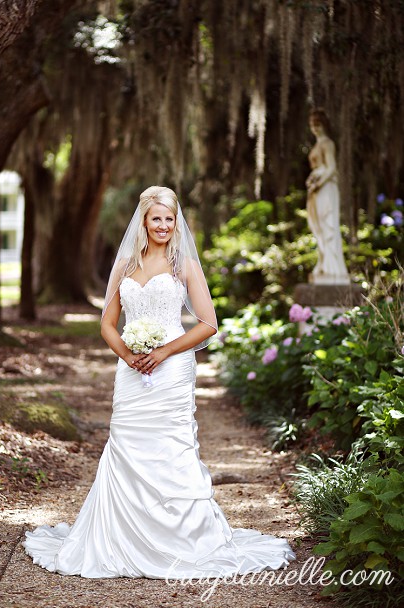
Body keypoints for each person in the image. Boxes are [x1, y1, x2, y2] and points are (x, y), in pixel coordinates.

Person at [23, 186, 295, 578]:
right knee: (127, 444)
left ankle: (184, 539)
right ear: (144, 222)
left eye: (170, 218)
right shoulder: (125, 265)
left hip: (172, 369)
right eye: (157, 219)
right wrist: (129, 355)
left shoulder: (183, 264)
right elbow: (107, 324)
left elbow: (208, 324)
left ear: (175, 222)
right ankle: (120, 539)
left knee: (172, 447)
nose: (164, 225)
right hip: (132, 370)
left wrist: (164, 352)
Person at [305, 108, 349, 284]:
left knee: (328, 224)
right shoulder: (317, 145)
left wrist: (319, 182)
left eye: (318, 124)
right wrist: (311, 180)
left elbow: (331, 168)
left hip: (326, 187)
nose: (315, 128)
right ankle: (323, 263)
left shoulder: (328, 143)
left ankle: (334, 268)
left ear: (324, 125)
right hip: (317, 188)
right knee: (319, 227)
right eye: (312, 125)